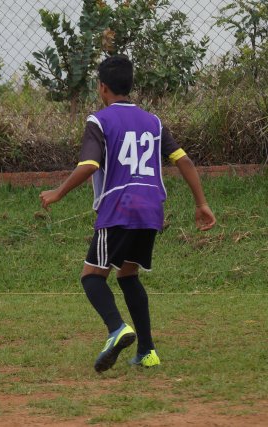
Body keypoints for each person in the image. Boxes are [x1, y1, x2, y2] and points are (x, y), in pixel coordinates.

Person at [39, 55, 216, 373]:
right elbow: (184, 161)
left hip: (118, 209)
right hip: (151, 211)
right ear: (130, 86)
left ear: (102, 87)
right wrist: (201, 204)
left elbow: (89, 165)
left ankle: (117, 328)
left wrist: (58, 192)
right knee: (128, 275)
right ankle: (147, 350)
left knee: (92, 277)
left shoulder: (99, 121)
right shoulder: (154, 122)